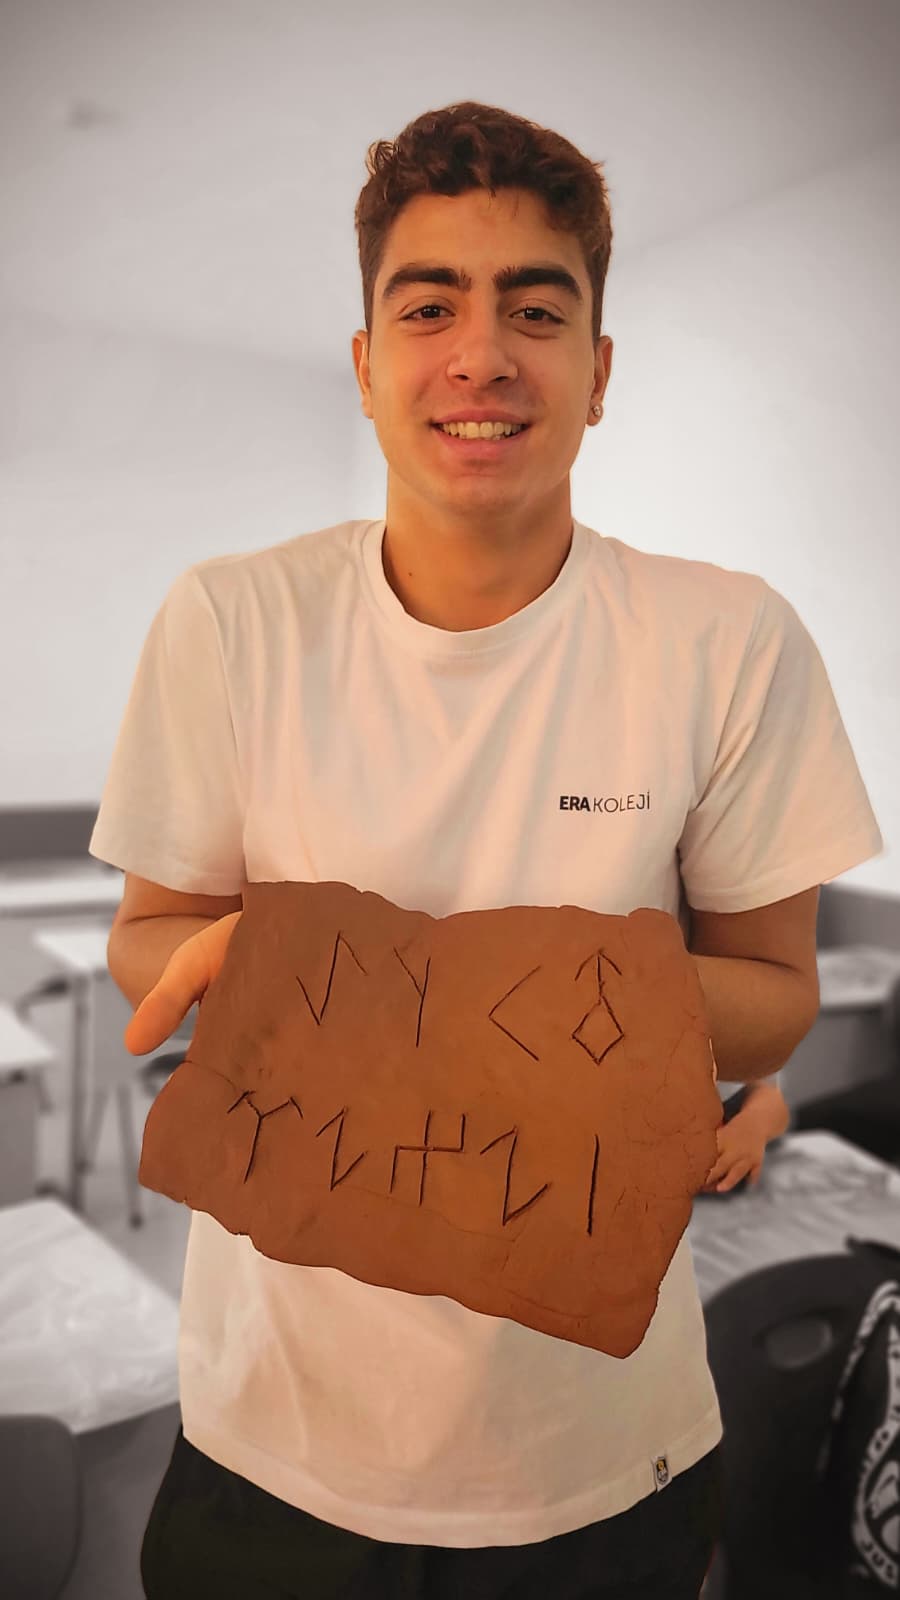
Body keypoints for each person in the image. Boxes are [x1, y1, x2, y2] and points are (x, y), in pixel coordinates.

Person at [92, 101, 884, 1600]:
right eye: (428, 306)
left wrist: (449, 998)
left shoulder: (726, 640)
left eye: (535, 307)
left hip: (599, 1447)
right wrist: (233, 967)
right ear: (364, 366)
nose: (481, 354)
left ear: (598, 370)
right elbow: (152, 937)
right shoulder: (232, 621)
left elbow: (777, 998)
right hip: (276, 1434)